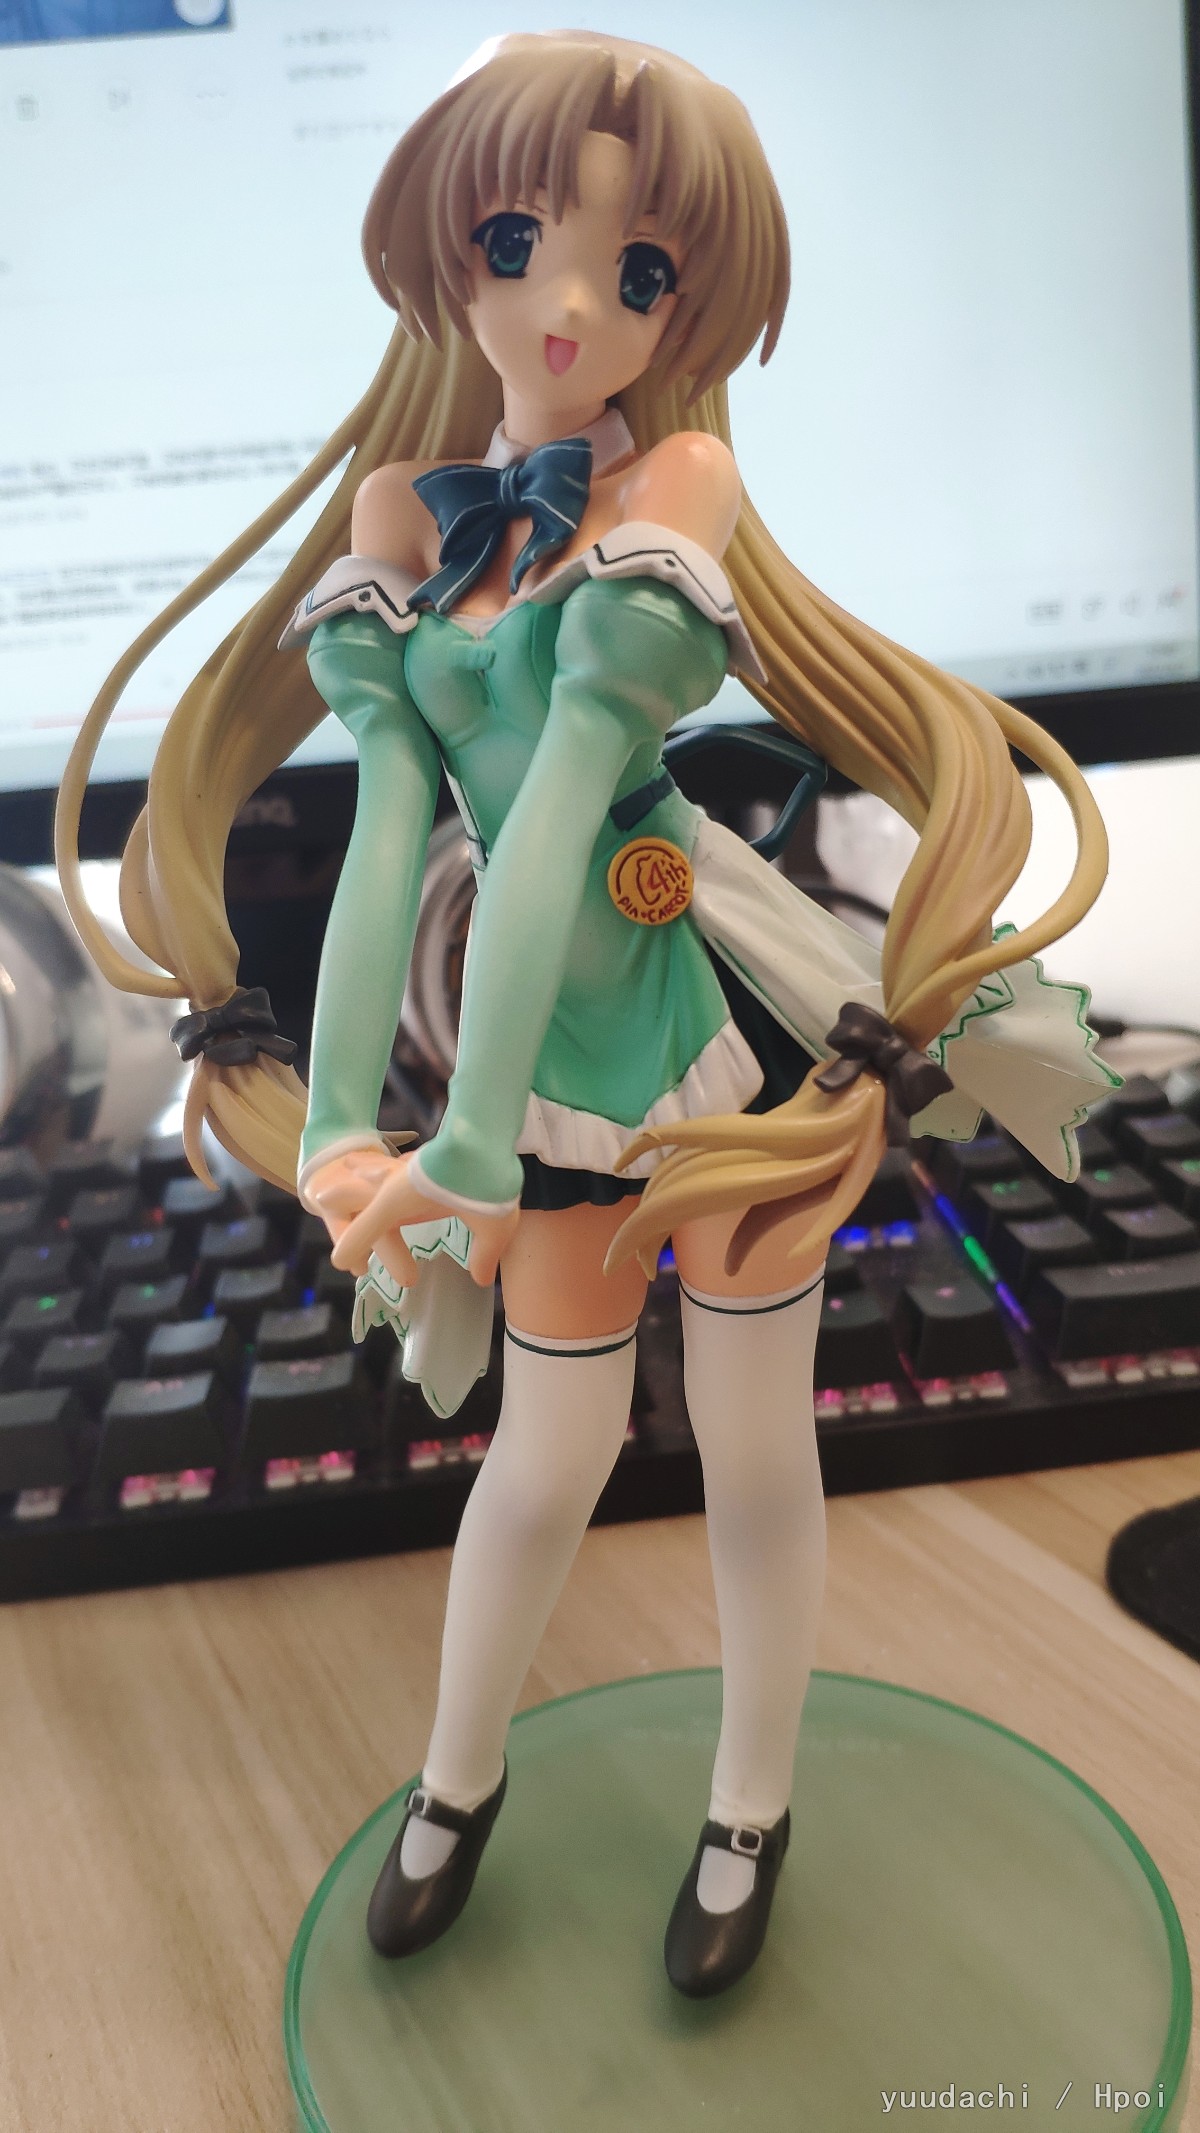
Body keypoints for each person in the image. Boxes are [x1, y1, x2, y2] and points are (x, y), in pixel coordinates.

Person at [55, 30, 1113, 1999]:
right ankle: (455, 1779)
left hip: (707, 1035)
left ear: (683, 314)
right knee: (541, 1455)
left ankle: (749, 1804)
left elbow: (560, 804)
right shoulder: (403, 515)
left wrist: (460, 1140)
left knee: (753, 1443)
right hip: (532, 1045)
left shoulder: (676, 479)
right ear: (438, 255)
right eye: (517, 241)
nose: (567, 304)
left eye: (638, 273)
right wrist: (353, 1118)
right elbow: (396, 828)